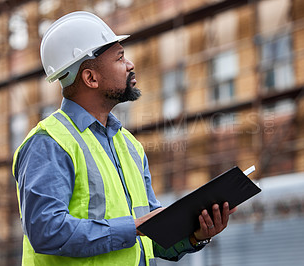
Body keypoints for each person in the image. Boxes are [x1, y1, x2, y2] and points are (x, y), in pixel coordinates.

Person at [13, 11, 236, 266]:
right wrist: (132, 228)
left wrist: (195, 236)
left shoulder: (129, 145)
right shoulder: (49, 143)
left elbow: (150, 235)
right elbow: (46, 231)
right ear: (91, 78)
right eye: (120, 58)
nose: (130, 64)